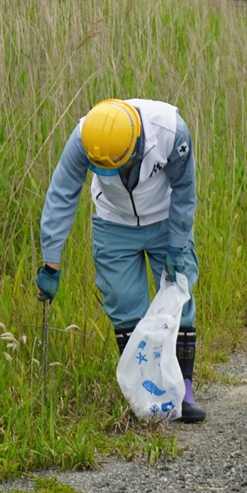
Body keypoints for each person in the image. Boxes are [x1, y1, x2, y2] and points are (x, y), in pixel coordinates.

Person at [35, 98, 205, 423]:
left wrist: (176, 246)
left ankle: (184, 390)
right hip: (114, 222)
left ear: (137, 144)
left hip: (166, 218)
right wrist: (50, 262)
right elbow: (62, 194)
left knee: (176, 300)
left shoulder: (171, 131)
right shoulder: (85, 138)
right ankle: (143, 397)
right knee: (124, 303)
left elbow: (185, 190)